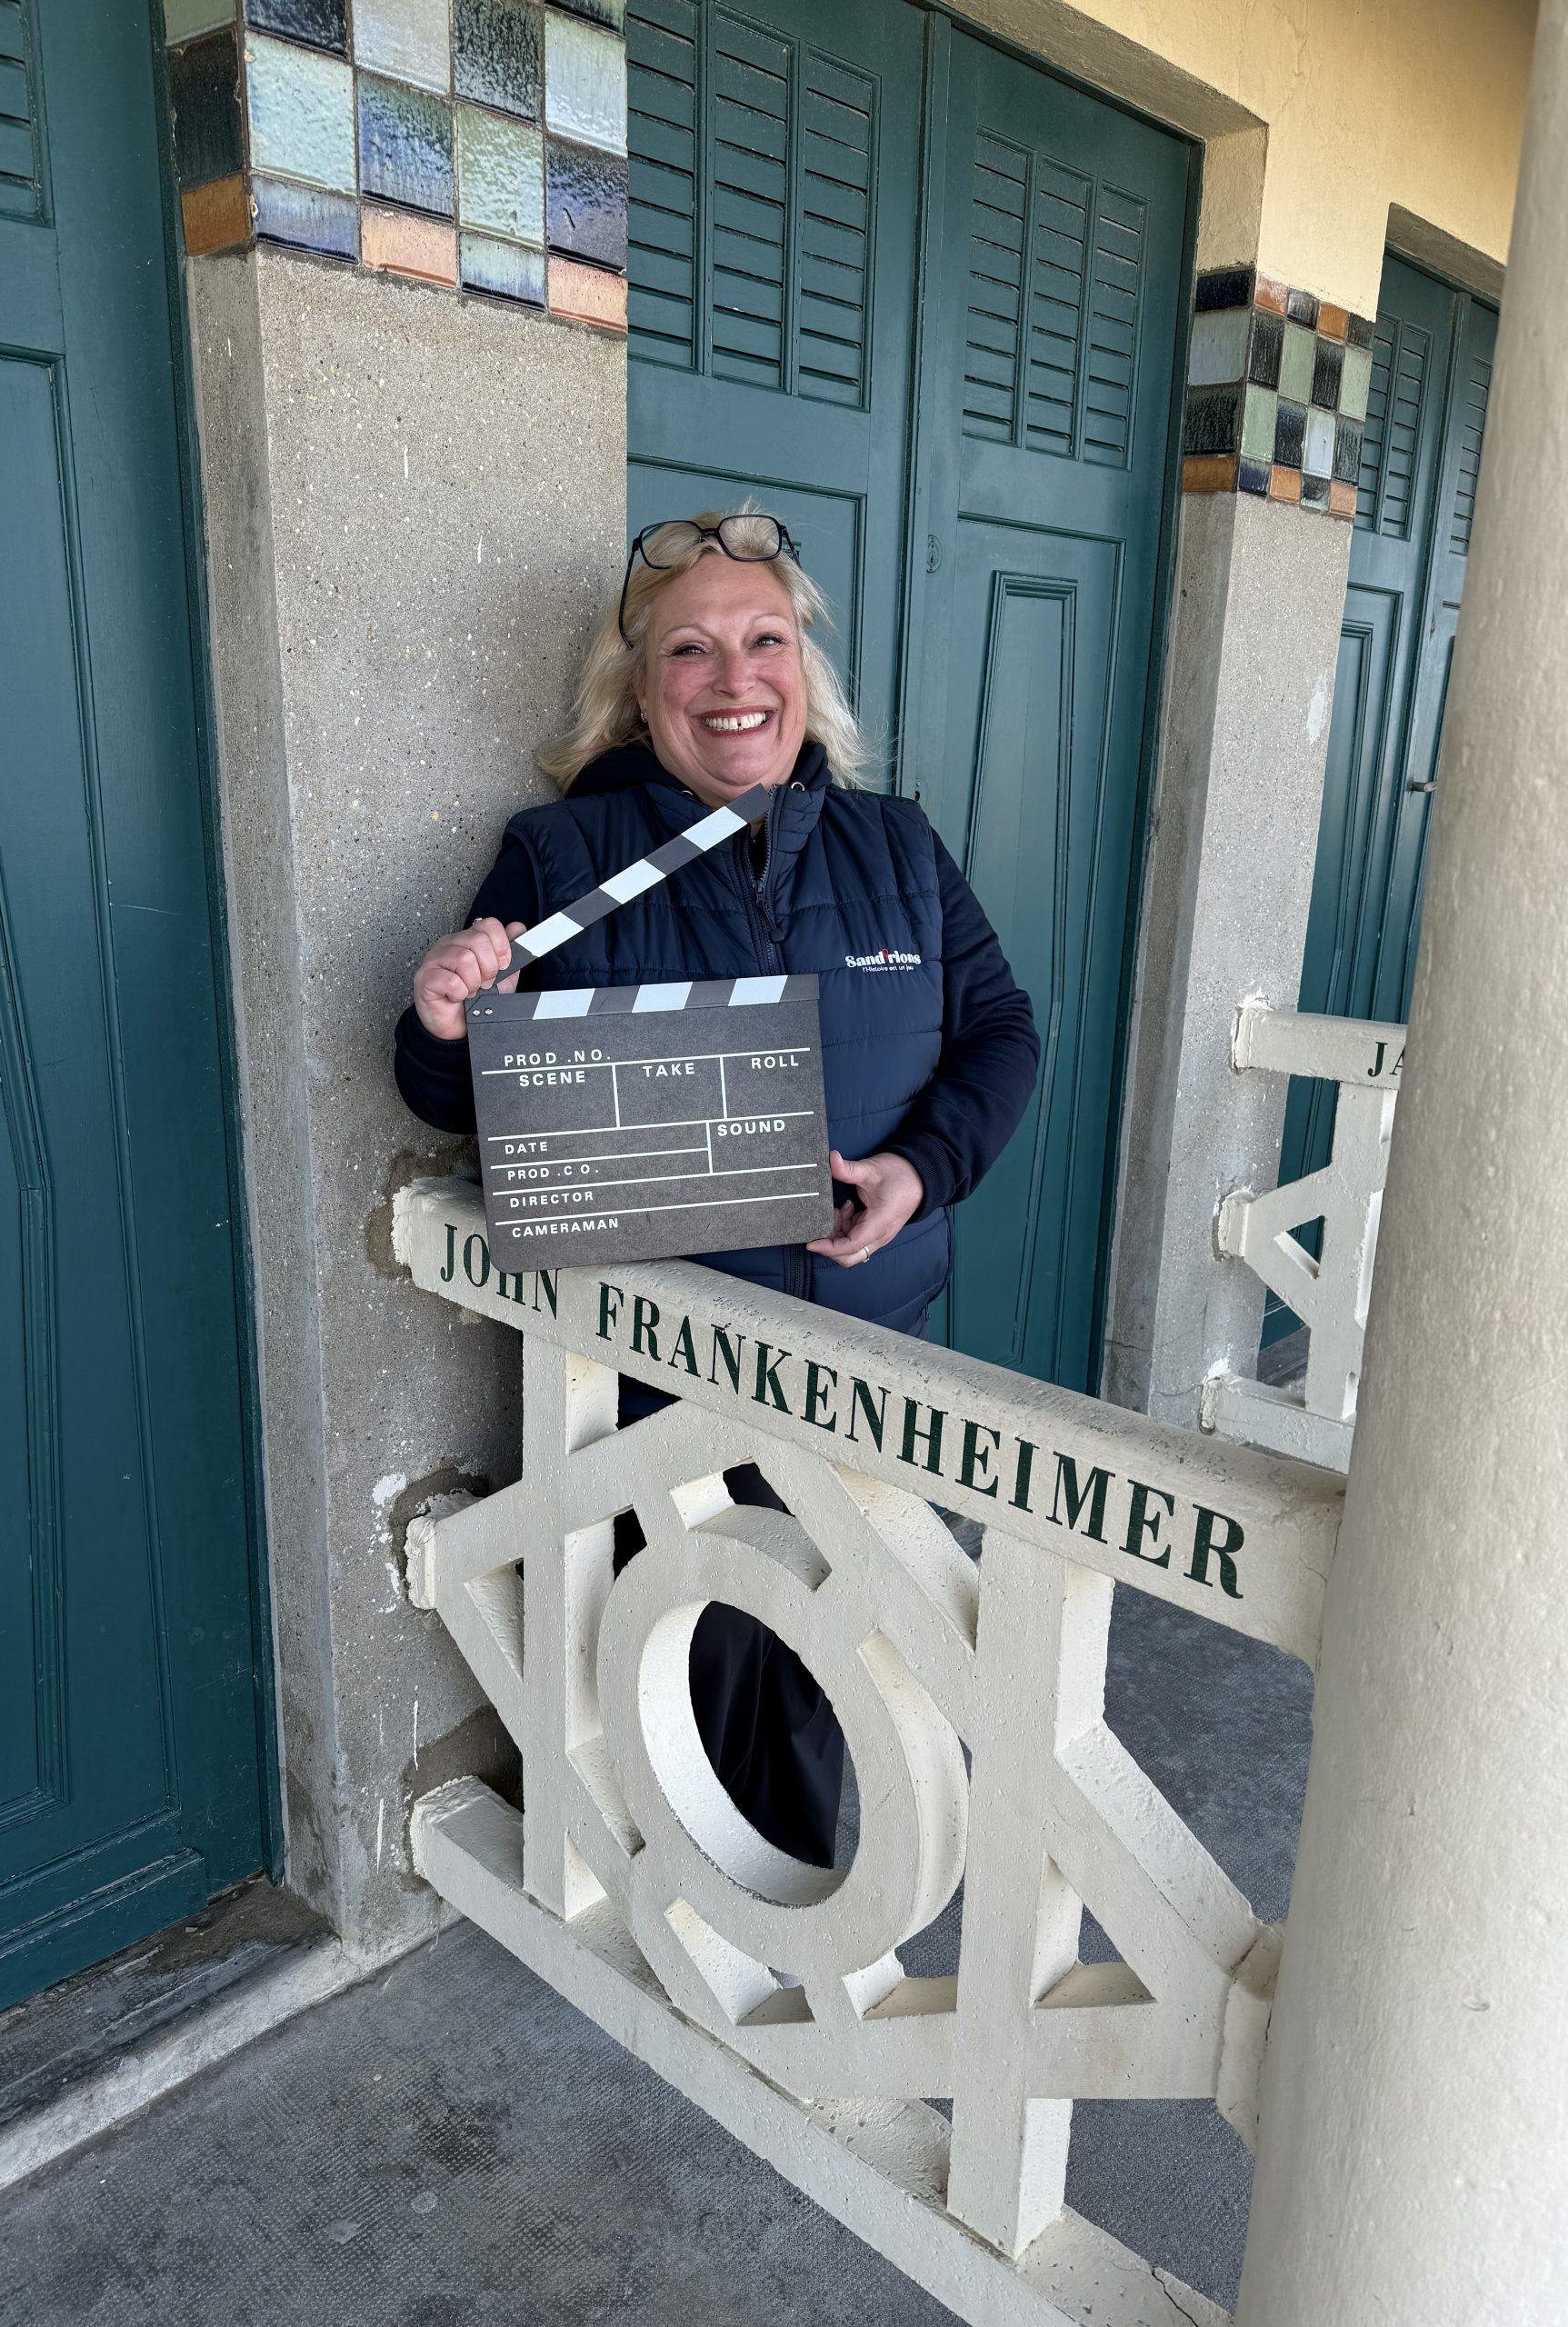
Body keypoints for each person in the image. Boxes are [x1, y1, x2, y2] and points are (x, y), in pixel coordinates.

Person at [394, 511, 1038, 1867]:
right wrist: (449, 1022)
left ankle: (794, 1925)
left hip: (863, 1359)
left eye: (765, 639)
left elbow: (1000, 1033)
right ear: (640, 691)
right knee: (664, 1676)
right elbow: (465, 1095)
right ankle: (663, 1921)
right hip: (656, 1382)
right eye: (690, 648)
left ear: (805, 668)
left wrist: (920, 1170)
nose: (735, 677)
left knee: (828, 1680)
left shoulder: (898, 847)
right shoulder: (563, 855)